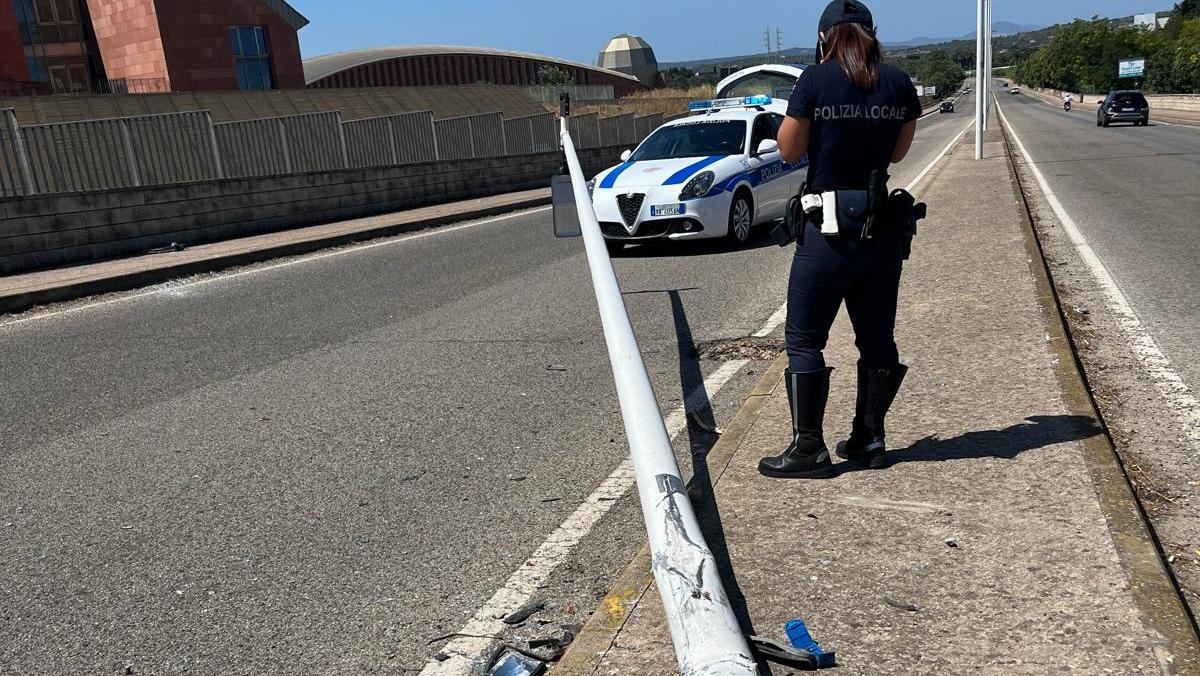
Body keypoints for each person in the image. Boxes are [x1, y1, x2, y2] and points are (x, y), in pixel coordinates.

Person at [758, 0, 921, 479]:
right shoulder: (898, 82)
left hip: (827, 237)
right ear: (872, 33)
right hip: (880, 231)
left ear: (823, 37)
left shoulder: (813, 81)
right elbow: (898, 150)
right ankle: (869, 439)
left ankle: (809, 447)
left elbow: (789, 151)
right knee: (877, 340)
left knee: (805, 339)